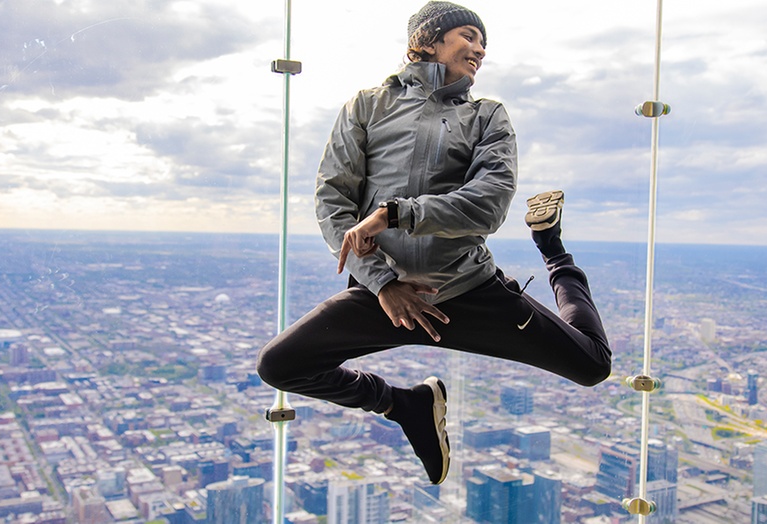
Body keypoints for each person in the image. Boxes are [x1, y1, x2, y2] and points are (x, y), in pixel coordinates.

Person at [257, 1, 611, 485]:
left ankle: (552, 249)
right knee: (281, 365)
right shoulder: (367, 105)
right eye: (469, 36)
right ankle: (404, 403)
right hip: (387, 294)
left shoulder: (488, 116)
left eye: (484, 43)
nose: (480, 50)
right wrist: (382, 284)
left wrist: (395, 213)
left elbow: (487, 205)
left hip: (469, 288)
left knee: (593, 365)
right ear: (428, 39)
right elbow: (333, 200)